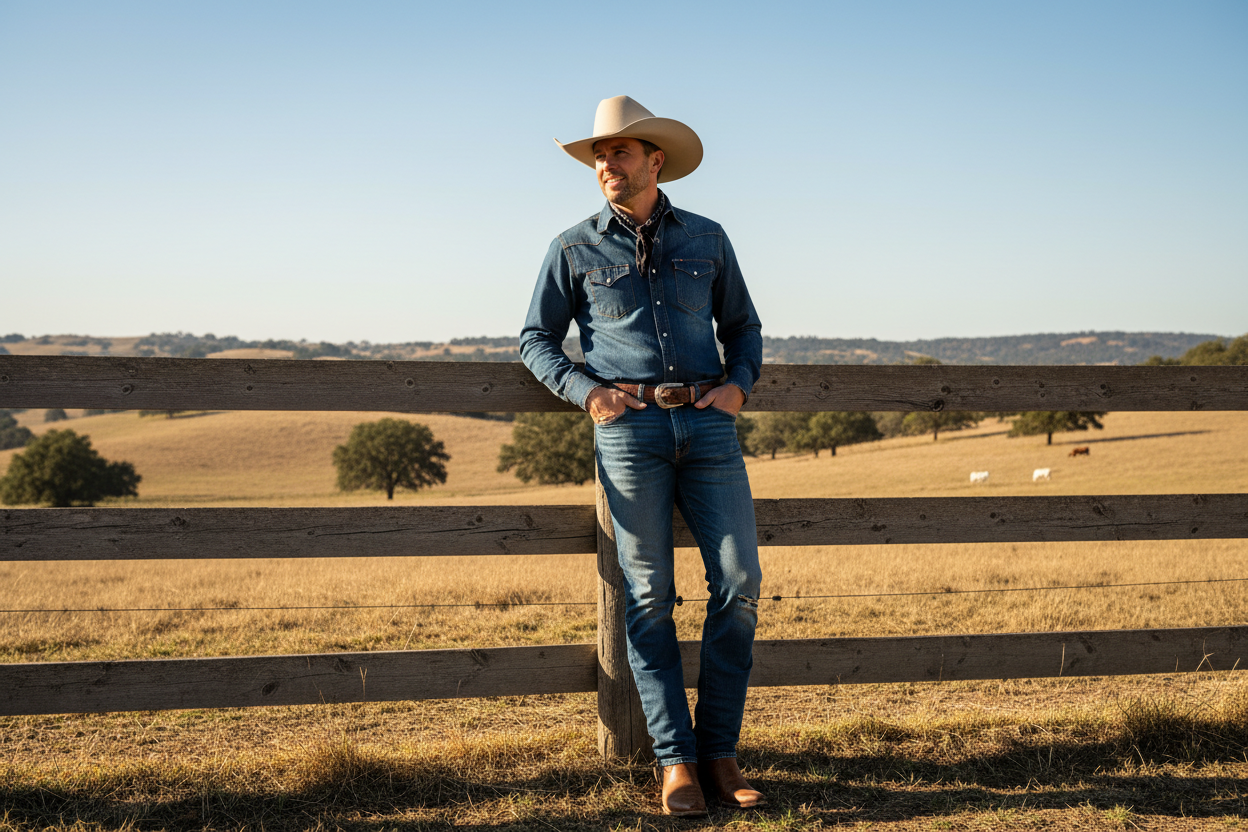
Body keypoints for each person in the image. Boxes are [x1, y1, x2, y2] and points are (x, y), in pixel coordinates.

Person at [520, 95, 765, 816]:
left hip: (710, 428)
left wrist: (739, 386)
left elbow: (743, 326)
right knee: (650, 594)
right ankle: (676, 763)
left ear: (656, 160)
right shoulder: (572, 248)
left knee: (740, 582)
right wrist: (586, 392)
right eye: (599, 155)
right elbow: (535, 339)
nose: (605, 164)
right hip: (628, 434)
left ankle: (721, 754)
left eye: (619, 152)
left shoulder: (709, 239)